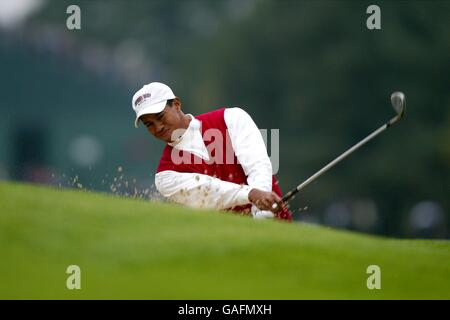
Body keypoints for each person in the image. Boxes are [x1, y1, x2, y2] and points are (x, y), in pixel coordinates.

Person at [131, 82, 292, 221]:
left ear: (177, 104)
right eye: (149, 124)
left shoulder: (232, 118)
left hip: (281, 232)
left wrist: (261, 209)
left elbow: (258, 165)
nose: (158, 127)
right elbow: (210, 193)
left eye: (160, 117)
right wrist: (253, 195)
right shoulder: (165, 176)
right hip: (225, 249)